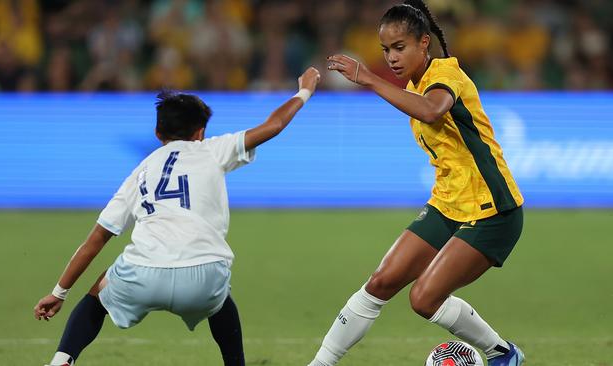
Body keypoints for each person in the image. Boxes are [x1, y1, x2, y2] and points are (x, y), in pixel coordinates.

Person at [34, 67, 321, 366]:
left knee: (98, 294)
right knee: (221, 298)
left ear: (158, 133)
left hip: (142, 272)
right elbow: (273, 126)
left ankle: (61, 361)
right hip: (203, 275)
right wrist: (304, 91)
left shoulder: (141, 171)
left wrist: (59, 292)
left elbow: (97, 238)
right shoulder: (211, 149)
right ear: (200, 132)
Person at [308, 1, 524, 366]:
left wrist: (369, 78)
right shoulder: (414, 84)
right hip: (448, 203)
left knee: (424, 299)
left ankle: (503, 353)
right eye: (385, 50)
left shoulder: (445, 75)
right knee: (380, 282)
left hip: (493, 210)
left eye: (399, 47)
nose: (391, 57)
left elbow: (431, 109)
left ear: (424, 43)